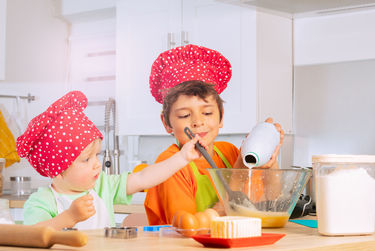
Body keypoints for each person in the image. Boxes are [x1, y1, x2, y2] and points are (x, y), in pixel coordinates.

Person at [17, 91, 205, 230]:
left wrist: (182, 157)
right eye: (86, 159)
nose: (97, 164)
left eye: (97, 155)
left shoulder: (102, 185)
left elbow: (142, 178)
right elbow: (32, 235)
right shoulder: (42, 201)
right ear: (57, 170)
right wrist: (69, 217)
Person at [144, 44, 284, 225]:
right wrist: (238, 173)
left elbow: (270, 201)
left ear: (221, 116)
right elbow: (190, 228)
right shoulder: (170, 165)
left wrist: (269, 161)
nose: (197, 122)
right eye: (185, 115)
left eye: (207, 113)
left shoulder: (229, 152)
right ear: (166, 123)